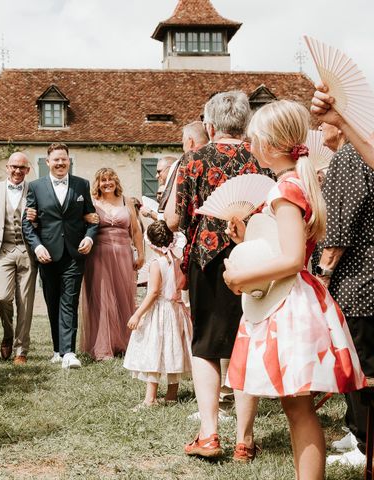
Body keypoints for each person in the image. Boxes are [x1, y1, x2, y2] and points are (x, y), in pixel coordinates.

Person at [224, 99, 366, 477]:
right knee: (296, 408)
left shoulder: (284, 189)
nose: (249, 146)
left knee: (299, 410)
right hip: (298, 300)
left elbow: (289, 259)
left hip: (288, 305)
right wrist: (249, 237)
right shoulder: (295, 182)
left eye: (253, 139)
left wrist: (241, 278)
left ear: (269, 146)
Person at [167, 91, 265, 460]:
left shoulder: (193, 160)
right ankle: (244, 440)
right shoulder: (260, 157)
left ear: (209, 125)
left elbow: (176, 220)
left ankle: (209, 435)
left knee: (205, 346)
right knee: (246, 342)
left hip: (206, 260)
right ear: (245, 124)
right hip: (253, 259)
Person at [310, 106, 374, 467]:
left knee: (360, 363)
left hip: (358, 280)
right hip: (365, 276)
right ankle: (358, 431)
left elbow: (339, 227)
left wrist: (322, 272)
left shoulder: (349, 158)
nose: (320, 130)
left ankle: (366, 446)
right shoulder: (360, 156)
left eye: (322, 122)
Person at [22, 143, 99, 369]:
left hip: (75, 254)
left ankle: (69, 353)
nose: (60, 163)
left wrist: (89, 238)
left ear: (69, 161)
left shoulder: (81, 185)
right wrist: (37, 247)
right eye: (56, 160)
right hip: (47, 254)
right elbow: (28, 223)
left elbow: (92, 218)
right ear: (48, 163)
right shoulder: (35, 187)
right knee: (52, 301)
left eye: (64, 159)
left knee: (69, 302)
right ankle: (57, 349)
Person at [124, 220, 192, 409]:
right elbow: (184, 285)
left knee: (154, 351)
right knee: (173, 351)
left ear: (152, 244)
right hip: (176, 310)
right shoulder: (178, 262)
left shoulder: (156, 263)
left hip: (160, 312)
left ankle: (150, 399)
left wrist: (137, 314)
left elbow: (154, 292)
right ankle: (171, 396)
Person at [80, 168, 143, 360]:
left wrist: (141, 254)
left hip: (124, 255)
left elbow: (136, 231)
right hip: (99, 256)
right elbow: (82, 226)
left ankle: (125, 344)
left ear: (116, 181)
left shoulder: (127, 201)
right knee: (103, 300)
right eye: (103, 180)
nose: (107, 183)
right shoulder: (92, 203)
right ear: (97, 184)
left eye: (110, 179)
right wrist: (85, 218)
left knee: (123, 297)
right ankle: (102, 348)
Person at [0, 152, 38, 364]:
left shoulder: (34, 190)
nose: (17, 171)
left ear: (28, 170)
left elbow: (43, 221)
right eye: (14, 166)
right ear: (7, 167)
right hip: (2, 251)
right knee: (3, 297)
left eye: (22, 167)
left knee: (25, 302)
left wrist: (37, 220)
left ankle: (21, 349)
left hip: (27, 251)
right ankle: (8, 334)